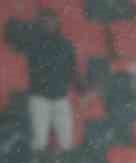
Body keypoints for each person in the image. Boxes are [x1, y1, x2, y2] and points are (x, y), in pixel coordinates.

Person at [4, 11, 84, 154]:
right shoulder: (32, 42)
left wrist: (81, 89)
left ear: (58, 23)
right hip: (39, 98)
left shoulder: (66, 45)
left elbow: (72, 70)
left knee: (66, 140)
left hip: (61, 98)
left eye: (52, 22)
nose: (49, 25)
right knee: (39, 141)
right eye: (45, 22)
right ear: (39, 24)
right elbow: (12, 37)